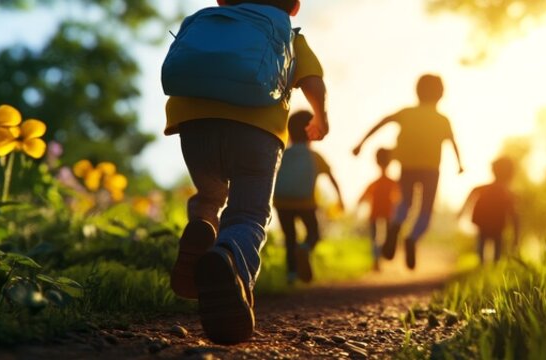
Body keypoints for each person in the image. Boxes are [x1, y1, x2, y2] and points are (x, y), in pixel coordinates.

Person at [164, 0, 329, 344]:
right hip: (257, 130)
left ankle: (202, 226)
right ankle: (228, 258)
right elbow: (313, 81)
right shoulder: (289, 34)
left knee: (210, 194)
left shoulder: (208, 21)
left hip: (194, 126)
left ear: (222, 0)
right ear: (293, 7)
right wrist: (320, 115)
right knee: (249, 214)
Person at [352, 74, 462, 270]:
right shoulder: (442, 120)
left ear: (417, 92)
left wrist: (362, 143)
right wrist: (459, 164)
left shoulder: (406, 113)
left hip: (408, 167)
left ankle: (395, 225)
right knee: (426, 210)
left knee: (405, 203)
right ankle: (412, 238)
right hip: (431, 169)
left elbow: (382, 122)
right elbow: (453, 142)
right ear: (441, 94)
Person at [273, 111, 344, 284]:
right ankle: (304, 248)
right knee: (314, 233)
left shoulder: (282, 154)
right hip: (306, 203)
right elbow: (331, 177)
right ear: (312, 132)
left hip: (282, 202)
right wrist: (340, 198)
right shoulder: (314, 157)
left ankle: (291, 275)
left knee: (290, 237)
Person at [459, 157, 519, 264]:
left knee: (483, 243)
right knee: (496, 246)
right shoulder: (506, 194)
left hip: (484, 223)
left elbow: (472, 193)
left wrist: (462, 211)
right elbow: (514, 215)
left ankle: (482, 264)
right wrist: (516, 236)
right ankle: (493, 264)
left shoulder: (486, 189)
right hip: (496, 225)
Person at [356, 148, 400, 272]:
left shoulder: (375, 183)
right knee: (385, 238)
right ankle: (381, 258)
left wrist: (358, 206)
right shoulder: (392, 183)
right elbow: (398, 199)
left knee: (375, 238)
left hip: (376, 214)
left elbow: (363, 197)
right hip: (387, 214)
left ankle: (377, 260)